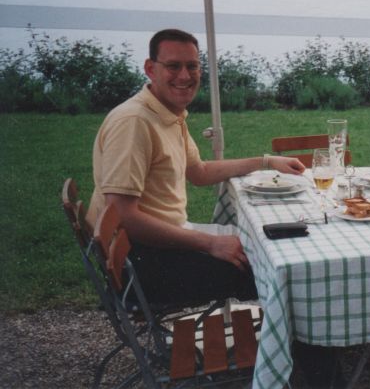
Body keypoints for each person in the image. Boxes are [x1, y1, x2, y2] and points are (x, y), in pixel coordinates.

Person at [86, 28, 305, 306]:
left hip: (163, 243)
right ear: (150, 69)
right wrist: (211, 243)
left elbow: (199, 172)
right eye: (173, 66)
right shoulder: (134, 122)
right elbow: (123, 214)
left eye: (192, 66)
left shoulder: (167, 112)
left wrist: (266, 161)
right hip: (144, 264)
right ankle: (298, 335)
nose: (185, 76)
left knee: (271, 245)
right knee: (281, 269)